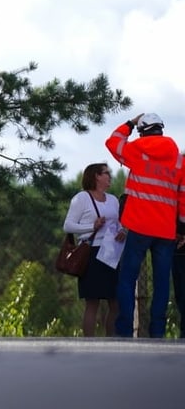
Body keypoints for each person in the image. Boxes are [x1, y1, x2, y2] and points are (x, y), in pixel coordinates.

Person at [105, 112, 185, 338]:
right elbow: (183, 198)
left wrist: (129, 123)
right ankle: (157, 334)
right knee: (162, 284)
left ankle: (124, 332)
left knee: (127, 280)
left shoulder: (137, 152)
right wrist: (182, 229)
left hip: (139, 228)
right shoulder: (180, 161)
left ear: (142, 131)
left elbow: (112, 142)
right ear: (161, 129)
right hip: (166, 232)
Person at [62, 162, 124, 336]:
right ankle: (89, 344)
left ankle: (111, 342)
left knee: (115, 302)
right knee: (93, 302)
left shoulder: (112, 199)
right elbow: (68, 226)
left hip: (112, 253)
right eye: (106, 173)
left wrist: (122, 231)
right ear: (96, 176)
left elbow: (118, 222)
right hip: (92, 253)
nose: (110, 176)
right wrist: (92, 226)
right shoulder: (81, 198)